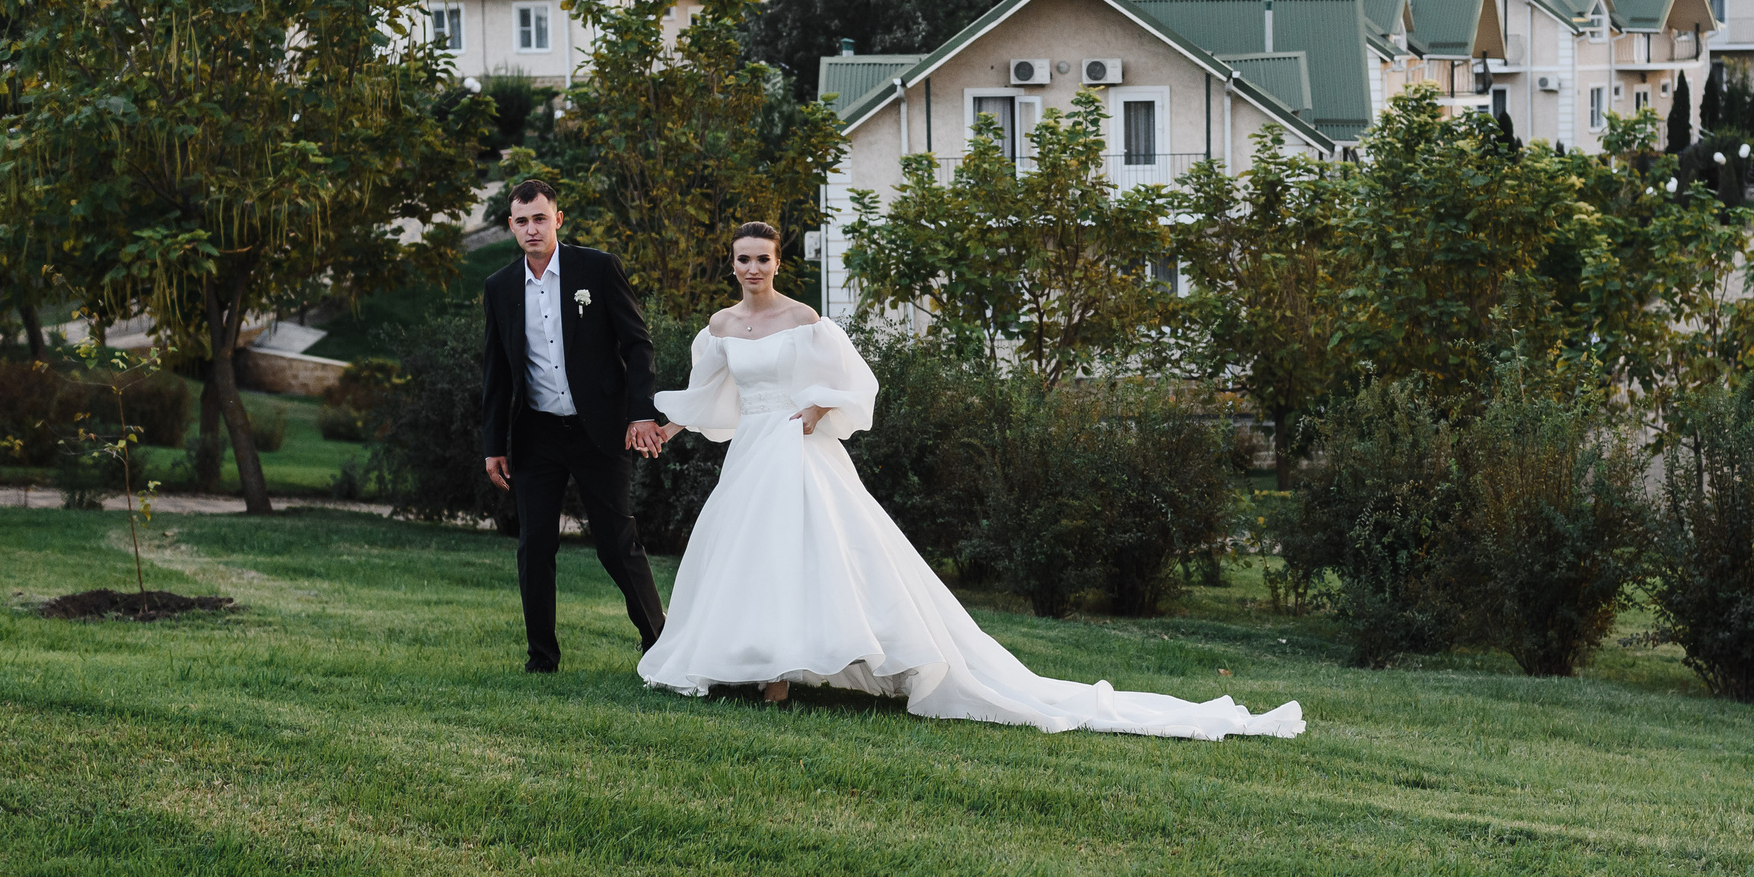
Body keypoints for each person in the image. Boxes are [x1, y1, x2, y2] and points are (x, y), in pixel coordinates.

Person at [638, 223, 1303, 740]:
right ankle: (750, 663)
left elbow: (851, 384)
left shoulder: (806, 321)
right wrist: (664, 429)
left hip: (796, 449)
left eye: (763, 257)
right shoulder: (721, 328)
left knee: (806, 556)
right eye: (742, 258)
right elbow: (706, 397)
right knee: (750, 560)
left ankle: (781, 677)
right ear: (731, 264)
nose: (752, 268)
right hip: (751, 453)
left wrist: (812, 410)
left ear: (778, 261)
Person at [480, 180, 675, 673]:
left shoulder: (597, 268)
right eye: (521, 221)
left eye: (540, 219)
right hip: (536, 435)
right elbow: (497, 372)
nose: (531, 229)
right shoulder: (499, 287)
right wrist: (493, 444)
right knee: (534, 545)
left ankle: (663, 645)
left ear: (558, 220)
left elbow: (637, 345)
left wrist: (640, 411)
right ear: (510, 227)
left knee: (616, 542)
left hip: (601, 429)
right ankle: (541, 658)